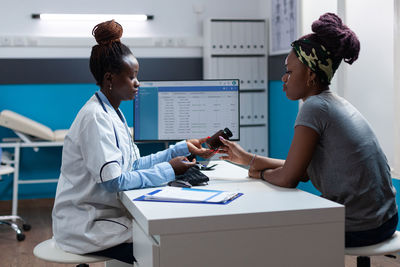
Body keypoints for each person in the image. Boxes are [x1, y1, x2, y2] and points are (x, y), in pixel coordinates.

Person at [218, 13, 397, 247]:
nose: (283, 78)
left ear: (311, 75)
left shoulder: (313, 108)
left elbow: (289, 178)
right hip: (387, 219)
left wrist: (258, 173)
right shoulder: (333, 103)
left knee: (270, 233)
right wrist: (249, 159)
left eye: (290, 72)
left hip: (359, 227)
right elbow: (300, 170)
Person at [52, 20, 214, 264]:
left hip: (104, 216)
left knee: (162, 235)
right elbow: (114, 181)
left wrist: (180, 148)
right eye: (132, 77)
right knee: (166, 247)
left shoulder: (112, 112)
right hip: (85, 224)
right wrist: (170, 169)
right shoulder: (95, 118)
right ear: (110, 78)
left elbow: (133, 164)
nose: (137, 83)